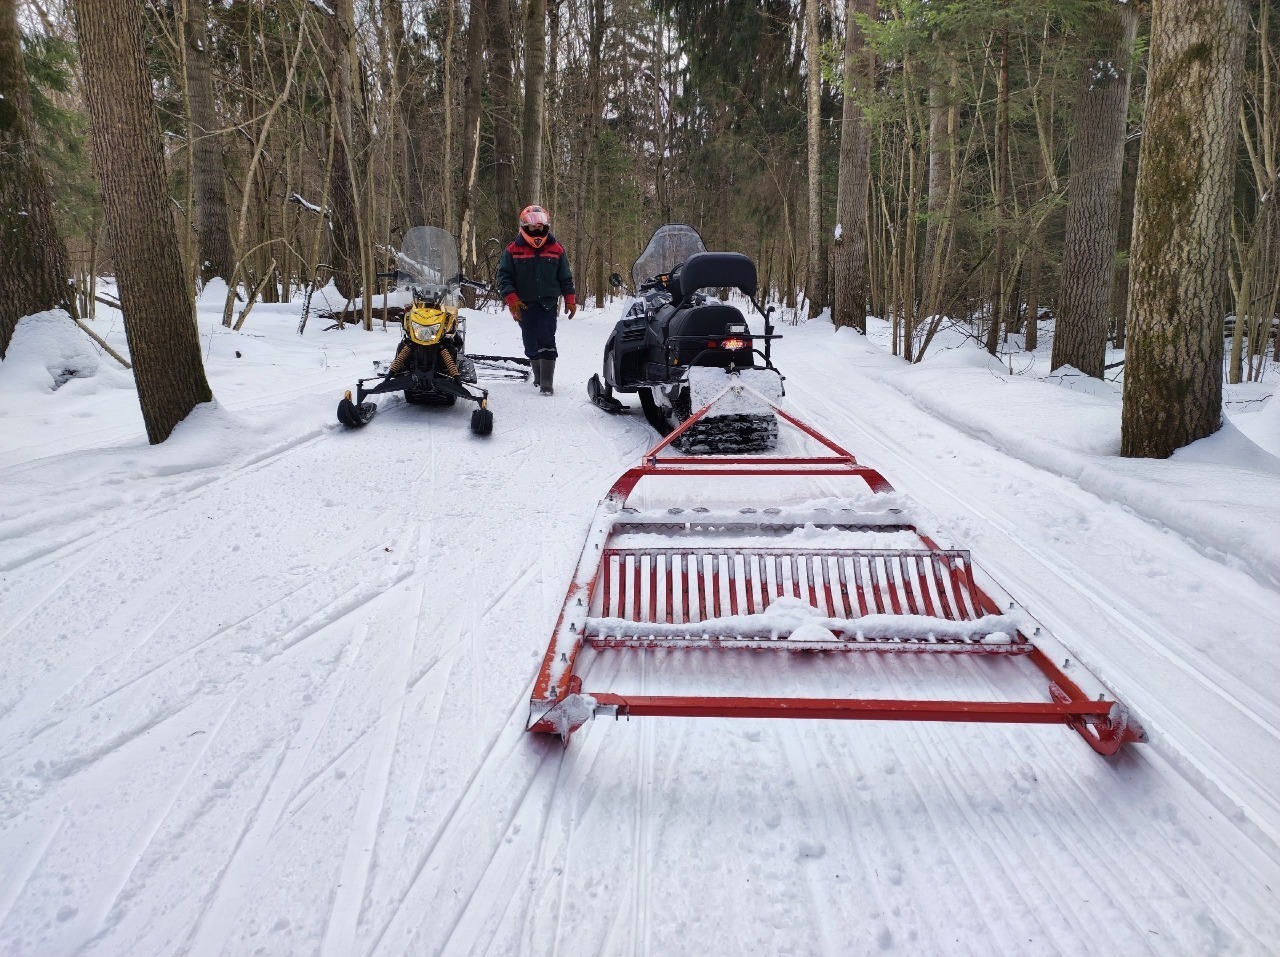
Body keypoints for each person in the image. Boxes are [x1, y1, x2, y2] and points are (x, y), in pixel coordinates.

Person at [497, 205, 577, 395]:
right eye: (532, 225)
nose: (536, 228)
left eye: (539, 224)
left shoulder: (556, 249)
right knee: (530, 341)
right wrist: (512, 299)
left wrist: (570, 299)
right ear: (524, 226)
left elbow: (565, 277)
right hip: (523, 303)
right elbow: (504, 277)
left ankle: (546, 383)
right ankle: (538, 374)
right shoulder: (513, 249)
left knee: (547, 338)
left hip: (548, 303)